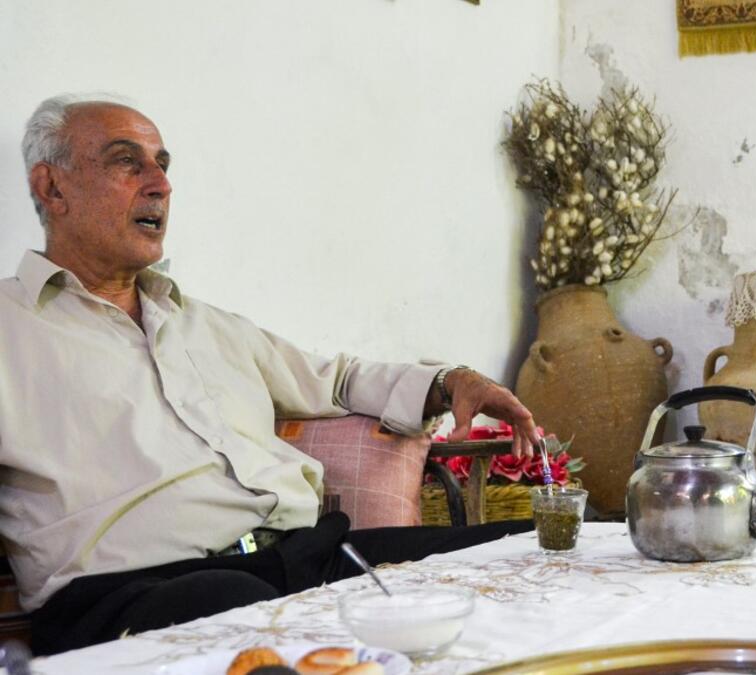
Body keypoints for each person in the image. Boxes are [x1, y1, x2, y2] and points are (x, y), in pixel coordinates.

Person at [0, 95, 542, 655]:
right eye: (126, 162)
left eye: (162, 165)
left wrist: (451, 382)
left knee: (523, 546)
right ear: (52, 188)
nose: (161, 184)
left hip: (300, 560)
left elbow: (336, 381)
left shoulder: (205, 324)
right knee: (240, 606)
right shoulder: (10, 329)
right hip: (124, 596)